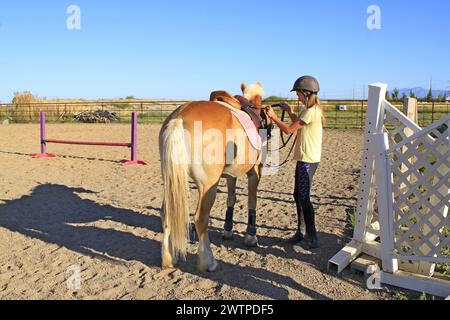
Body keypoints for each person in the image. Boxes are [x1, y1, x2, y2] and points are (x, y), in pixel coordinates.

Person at [265, 76, 325, 249]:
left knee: (304, 198)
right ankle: (301, 232)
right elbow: (298, 124)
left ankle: (311, 237)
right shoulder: (312, 110)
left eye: (298, 93)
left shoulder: (311, 111)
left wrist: (273, 117)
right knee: (297, 195)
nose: (297, 96)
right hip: (306, 159)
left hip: (307, 160)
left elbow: (289, 129)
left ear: (306, 93)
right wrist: (289, 111)